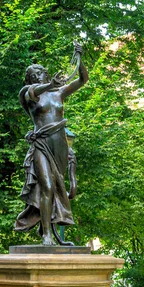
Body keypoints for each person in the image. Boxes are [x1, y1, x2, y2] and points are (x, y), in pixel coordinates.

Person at [15, 46, 88, 245]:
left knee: (56, 187)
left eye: (41, 72)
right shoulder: (28, 94)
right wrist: (48, 85)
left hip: (60, 145)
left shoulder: (59, 93)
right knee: (46, 185)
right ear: (29, 79)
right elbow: (33, 92)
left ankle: (51, 232)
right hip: (42, 143)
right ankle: (46, 235)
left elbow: (82, 80)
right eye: (34, 74)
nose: (39, 76)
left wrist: (80, 58)